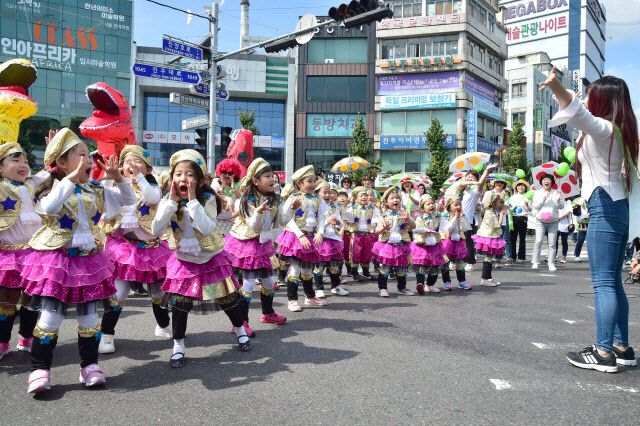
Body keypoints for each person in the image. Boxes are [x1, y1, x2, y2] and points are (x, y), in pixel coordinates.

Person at [24, 128, 137, 393]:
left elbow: (127, 201)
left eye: (88, 155)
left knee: (89, 318)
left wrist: (118, 178)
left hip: (88, 262)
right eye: (81, 155)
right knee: (50, 319)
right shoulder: (50, 188)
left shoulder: (96, 189)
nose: (88, 160)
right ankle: (40, 369)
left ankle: (89, 365)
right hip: (58, 263)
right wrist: (70, 180)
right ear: (61, 163)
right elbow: (50, 208)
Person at [542, 67, 638, 371]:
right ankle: (620, 347)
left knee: (604, 283)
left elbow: (576, 111)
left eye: (590, 95)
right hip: (616, 205)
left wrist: (556, 86)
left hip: (605, 204)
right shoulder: (619, 130)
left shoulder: (605, 129)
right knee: (613, 283)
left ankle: (603, 352)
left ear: (603, 101)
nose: (585, 98)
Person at [152, 150, 250, 369]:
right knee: (180, 304)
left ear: (201, 179)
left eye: (190, 174)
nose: (183, 179)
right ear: (172, 178)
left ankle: (241, 331)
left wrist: (193, 201)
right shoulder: (168, 201)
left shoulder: (209, 199)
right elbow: (156, 229)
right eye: (178, 174)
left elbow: (206, 228)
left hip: (211, 257)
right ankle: (178, 346)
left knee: (227, 298)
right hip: (183, 260)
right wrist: (171, 203)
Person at [98, 146, 172, 354]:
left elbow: (151, 198)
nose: (131, 165)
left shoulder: (153, 188)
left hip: (152, 249)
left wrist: (139, 178)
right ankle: (107, 334)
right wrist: (109, 177)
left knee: (159, 292)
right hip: (124, 249)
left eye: (137, 161)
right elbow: (101, 196)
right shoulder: (116, 187)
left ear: (148, 169)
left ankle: (163, 325)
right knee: (119, 292)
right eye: (127, 161)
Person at [225, 158, 296, 334]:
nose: (272, 179)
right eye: (267, 176)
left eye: (273, 175)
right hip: (247, 243)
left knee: (270, 281)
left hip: (263, 243)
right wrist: (258, 213)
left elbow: (281, 221)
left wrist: (292, 209)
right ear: (256, 181)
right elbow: (253, 226)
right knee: (248, 285)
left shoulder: (275, 198)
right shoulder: (246, 200)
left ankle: (268, 313)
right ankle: (240, 323)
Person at [0, 143, 43, 360]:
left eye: (25, 161)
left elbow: (52, 172)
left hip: (35, 255)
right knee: (6, 301)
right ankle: (2, 341)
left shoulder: (33, 185)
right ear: (0, 167)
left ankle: (27, 336)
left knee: (32, 300)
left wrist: (51, 148)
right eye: (15, 160)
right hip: (8, 255)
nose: (22, 165)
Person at [276, 165, 327, 312]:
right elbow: (288, 220)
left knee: (307, 270)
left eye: (314, 181)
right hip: (296, 237)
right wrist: (300, 235)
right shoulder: (293, 198)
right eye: (309, 181)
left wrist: (320, 232)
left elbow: (321, 218)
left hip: (311, 237)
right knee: (295, 269)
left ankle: (309, 296)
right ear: (299, 183)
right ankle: (292, 300)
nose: (312, 184)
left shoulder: (318, 199)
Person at [446, 163, 497, 271]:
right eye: (468, 176)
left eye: (472, 177)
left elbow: (481, 183)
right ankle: (453, 261)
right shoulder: (460, 190)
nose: (470, 178)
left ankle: (470, 262)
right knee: (453, 241)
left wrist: (487, 170)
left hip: (467, 220)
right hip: (454, 219)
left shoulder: (475, 191)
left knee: (467, 242)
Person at [372, 188, 415, 297]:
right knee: (385, 268)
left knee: (401, 268)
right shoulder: (383, 215)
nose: (395, 200)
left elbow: (413, 226)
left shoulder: (404, 213)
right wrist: (383, 228)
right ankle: (382, 288)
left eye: (397, 198)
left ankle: (401, 288)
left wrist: (408, 219)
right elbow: (377, 231)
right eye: (392, 198)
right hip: (388, 245)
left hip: (401, 244)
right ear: (386, 202)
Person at [313, 180, 349, 297]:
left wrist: (338, 222)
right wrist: (327, 222)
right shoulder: (314, 206)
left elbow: (339, 224)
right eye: (325, 192)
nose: (328, 195)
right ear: (317, 193)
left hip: (332, 239)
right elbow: (313, 225)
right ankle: (319, 289)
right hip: (320, 239)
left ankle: (336, 286)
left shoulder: (334, 207)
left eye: (329, 192)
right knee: (319, 266)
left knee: (334, 265)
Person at [411, 194, 445, 294]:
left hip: (435, 245)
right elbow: (415, 230)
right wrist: (425, 230)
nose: (431, 205)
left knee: (435, 266)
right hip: (422, 245)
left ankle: (430, 285)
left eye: (433, 203)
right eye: (428, 204)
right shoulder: (420, 218)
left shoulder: (439, 217)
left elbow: (443, 228)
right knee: (421, 265)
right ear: (422, 208)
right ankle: (420, 284)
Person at [472, 192, 507, 286]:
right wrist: (501, 214)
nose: (500, 204)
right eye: (499, 202)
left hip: (491, 236)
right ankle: (485, 279)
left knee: (490, 258)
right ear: (492, 203)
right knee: (488, 258)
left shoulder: (491, 212)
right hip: (488, 237)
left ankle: (489, 277)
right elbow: (497, 226)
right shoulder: (490, 213)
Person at [531, 173, 564, 271]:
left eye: (548, 180)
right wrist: (543, 199)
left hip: (553, 221)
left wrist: (558, 200)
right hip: (540, 221)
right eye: (544, 180)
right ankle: (535, 262)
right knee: (538, 241)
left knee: (552, 243)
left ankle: (551, 263)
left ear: (552, 182)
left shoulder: (556, 192)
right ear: (541, 182)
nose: (546, 181)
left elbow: (561, 207)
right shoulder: (537, 193)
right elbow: (535, 206)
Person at [344, 186, 378, 281]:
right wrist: (345, 206)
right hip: (356, 235)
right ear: (355, 199)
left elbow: (375, 221)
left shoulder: (372, 209)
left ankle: (366, 272)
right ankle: (355, 274)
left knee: (367, 254)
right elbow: (345, 218)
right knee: (355, 254)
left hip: (367, 235)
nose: (364, 197)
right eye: (361, 196)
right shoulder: (351, 209)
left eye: (365, 195)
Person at [440, 195, 473, 290]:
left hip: (459, 242)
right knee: (445, 263)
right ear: (449, 206)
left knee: (460, 263)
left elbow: (466, 228)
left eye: (460, 205)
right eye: (456, 205)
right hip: (447, 242)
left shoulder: (462, 216)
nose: (458, 207)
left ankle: (462, 281)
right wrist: (454, 219)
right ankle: (447, 282)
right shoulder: (444, 216)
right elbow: (447, 229)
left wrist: (462, 219)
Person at [211, 158, 242, 236]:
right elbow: (213, 197)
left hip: (232, 218)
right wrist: (222, 188)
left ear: (234, 174)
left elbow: (240, 199)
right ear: (220, 172)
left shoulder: (239, 183)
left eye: (230, 173)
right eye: (225, 172)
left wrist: (234, 188)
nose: (227, 175)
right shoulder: (215, 182)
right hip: (218, 217)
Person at [486, 178, 512, 266]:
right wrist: (498, 200)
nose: (499, 184)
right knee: (491, 239)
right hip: (491, 219)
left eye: (501, 183)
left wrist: (502, 201)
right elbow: (487, 205)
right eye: (497, 182)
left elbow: (506, 208)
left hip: (502, 219)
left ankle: (498, 259)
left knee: (501, 239)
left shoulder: (506, 195)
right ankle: (491, 257)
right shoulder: (489, 193)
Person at [508, 179, 531, 262]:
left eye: (522, 186)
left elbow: (531, 209)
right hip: (513, 218)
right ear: (516, 187)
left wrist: (527, 205)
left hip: (523, 217)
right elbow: (509, 208)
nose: (520, 187)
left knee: (522, 238)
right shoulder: (512, 197)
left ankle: (521, 256)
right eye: (519, 186)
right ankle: (512, 256)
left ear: (525, 188)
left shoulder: (527, 197)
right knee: (512, 238)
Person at [556, 198, 573, 264]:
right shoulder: (556, 199)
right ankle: (554, 256)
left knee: (564, 241)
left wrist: (559, 218)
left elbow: (568, 212)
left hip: (564, 224)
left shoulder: (568, 201)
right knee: (554, 241)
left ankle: (564, 256)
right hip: (555, 223)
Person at [572, 197, 589, 262]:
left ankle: (591, 256)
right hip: (581, 222)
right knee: (580, 240)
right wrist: (578, 204)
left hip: (590, 220)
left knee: (590, 241)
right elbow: (572, 205)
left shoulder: (590, 197)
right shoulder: (578, 199)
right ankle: (577, 255)